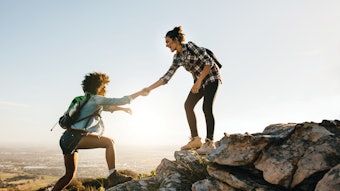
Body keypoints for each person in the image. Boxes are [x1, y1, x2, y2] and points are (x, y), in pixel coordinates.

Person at [52, 72, 147, 191]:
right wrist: (140, 93)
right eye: (104, 86)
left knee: (68, 176)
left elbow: (108, 107)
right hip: (76, 137)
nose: (106, 89)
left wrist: (123, 109)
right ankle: (113, 176)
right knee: (109, 142)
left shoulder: (83, 99)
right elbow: (121, 100)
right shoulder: (96, 99)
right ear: (99, 87)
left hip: (66, 138)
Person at [144, 26, 221, 154]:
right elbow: (166, 77)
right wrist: (149, 89)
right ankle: (196, 139)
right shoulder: (177, 58)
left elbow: (209, 62)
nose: (166, 45)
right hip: (199, 82)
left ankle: (209, 142)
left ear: (175, 40)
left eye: (168, 42)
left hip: (211, 77)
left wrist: (198, 81)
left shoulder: (190, 46)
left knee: (206, 107)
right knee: (188, 105)